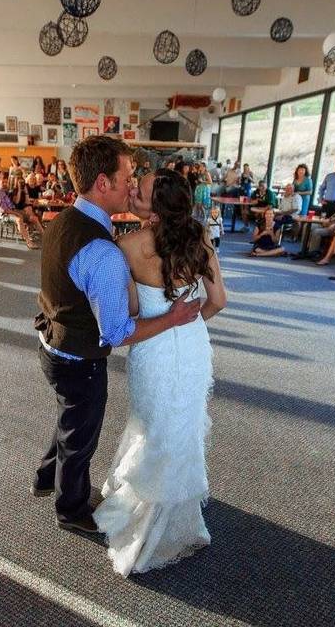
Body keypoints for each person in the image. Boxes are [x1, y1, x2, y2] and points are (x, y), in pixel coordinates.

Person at [32, 136, 204, 539]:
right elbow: (118, 332)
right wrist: (174, 318)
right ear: (103, 184)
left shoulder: (65, 220)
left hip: (51, 341)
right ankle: (70, 508)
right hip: (78, 359)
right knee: (80, 437)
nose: (133, 183)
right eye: (128, 176)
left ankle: (45, 476)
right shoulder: (105, 253)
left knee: (67, 417)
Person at [92, 167, 226, 576]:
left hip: (153, 350)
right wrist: (190, 325)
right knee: (180, 428)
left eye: (141, 190)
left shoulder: (127, 246)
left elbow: (133, 312)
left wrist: (162, 319)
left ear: (157, 209)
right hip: (192, 345)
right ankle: (172, 509)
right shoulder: (200, 238)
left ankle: (146, 519)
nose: (133, 189)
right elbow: (218, 300)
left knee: (153, 426)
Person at [9, 174, 43, 249]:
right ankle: (29, 242)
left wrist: (25, 191)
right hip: (14, 211)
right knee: (20, 220)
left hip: (22, 211)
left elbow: (27, 202)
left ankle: (45, 236)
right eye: (20, 183)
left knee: (35, 218)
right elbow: (17, 202)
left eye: (22, 182)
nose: (21, 184)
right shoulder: (13, 191)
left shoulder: (24, 190)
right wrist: (20, 191)